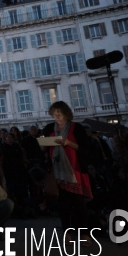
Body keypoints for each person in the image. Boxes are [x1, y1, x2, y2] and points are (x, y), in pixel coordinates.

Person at [44, 101, 92, 246]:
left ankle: (84, 234)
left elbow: (85, 148)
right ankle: (67, 233)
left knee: (79, 204)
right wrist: (45, 143)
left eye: (59, 114)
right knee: (63, 204)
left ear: (66, 113)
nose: (57, 117)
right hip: (58, 170)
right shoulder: (48, 128)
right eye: (55, 114)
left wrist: (68, 143)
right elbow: (43, 149)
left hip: (74, 169)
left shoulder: (76, 128)